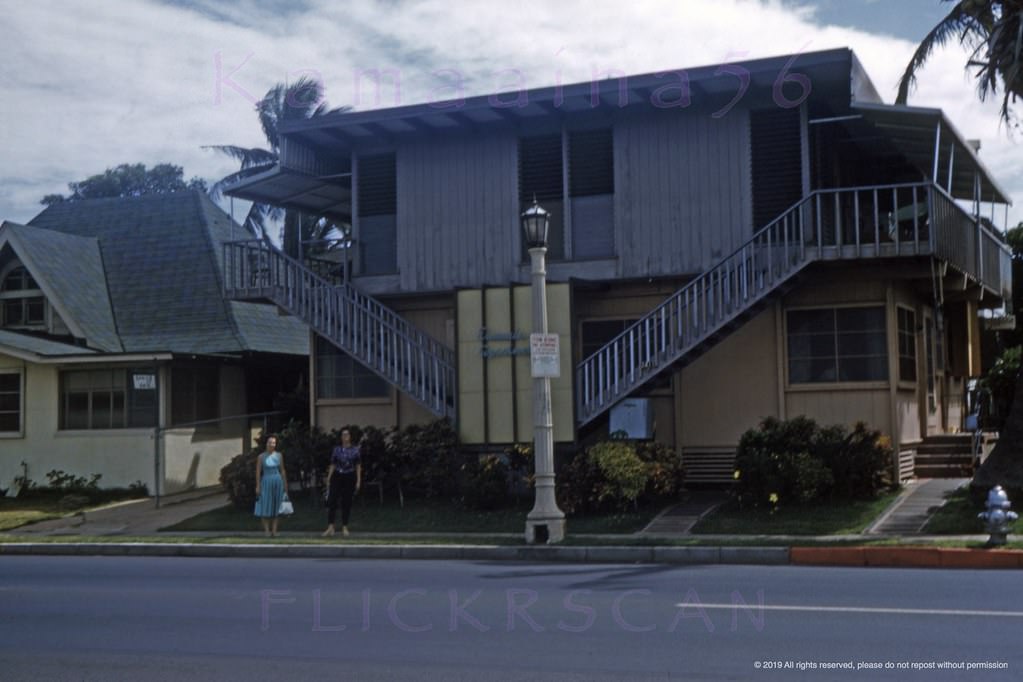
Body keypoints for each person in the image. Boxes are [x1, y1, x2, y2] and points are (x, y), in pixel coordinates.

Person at [322, 428, 362, 537]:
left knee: (346, 501)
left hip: (349, 475)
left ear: (350, 437)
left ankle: (345, 526)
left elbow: (358, 466)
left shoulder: (355, 450)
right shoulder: (337, 450)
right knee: (332, 500)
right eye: (343, 435)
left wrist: (358, 480)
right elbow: (333, 464)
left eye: (347, 434)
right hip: (337, 475)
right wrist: (329, 478)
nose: (345, 436)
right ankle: (331, 526)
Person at [254, 435, 288, 537]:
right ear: (266, 443)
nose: (272, 444)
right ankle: (267, 531)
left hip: (277, 481)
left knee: (277, 506)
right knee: (265, 505)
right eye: (270, 442)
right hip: (266, 482)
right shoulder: (261, 457)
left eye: (273, 442)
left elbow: (282, 470)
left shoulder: (279, 455)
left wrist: (285, 484)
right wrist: (258, 486)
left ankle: (274, 530)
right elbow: (258, 472)